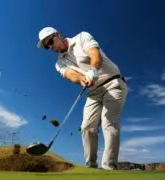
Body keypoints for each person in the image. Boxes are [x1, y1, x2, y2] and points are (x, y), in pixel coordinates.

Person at [37, 27, 128, 170]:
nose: (50, 47)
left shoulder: (81, 37)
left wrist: (93, 70)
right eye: (47, 46)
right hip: (93, 91)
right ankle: (91, 167)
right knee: (87, 127)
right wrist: (82, 79)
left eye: (50, 42)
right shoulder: (58, 63)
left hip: (113, 82)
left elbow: (94, 54)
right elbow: (70, 74)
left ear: (57, 35)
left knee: (108, 122)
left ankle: (109, 167)